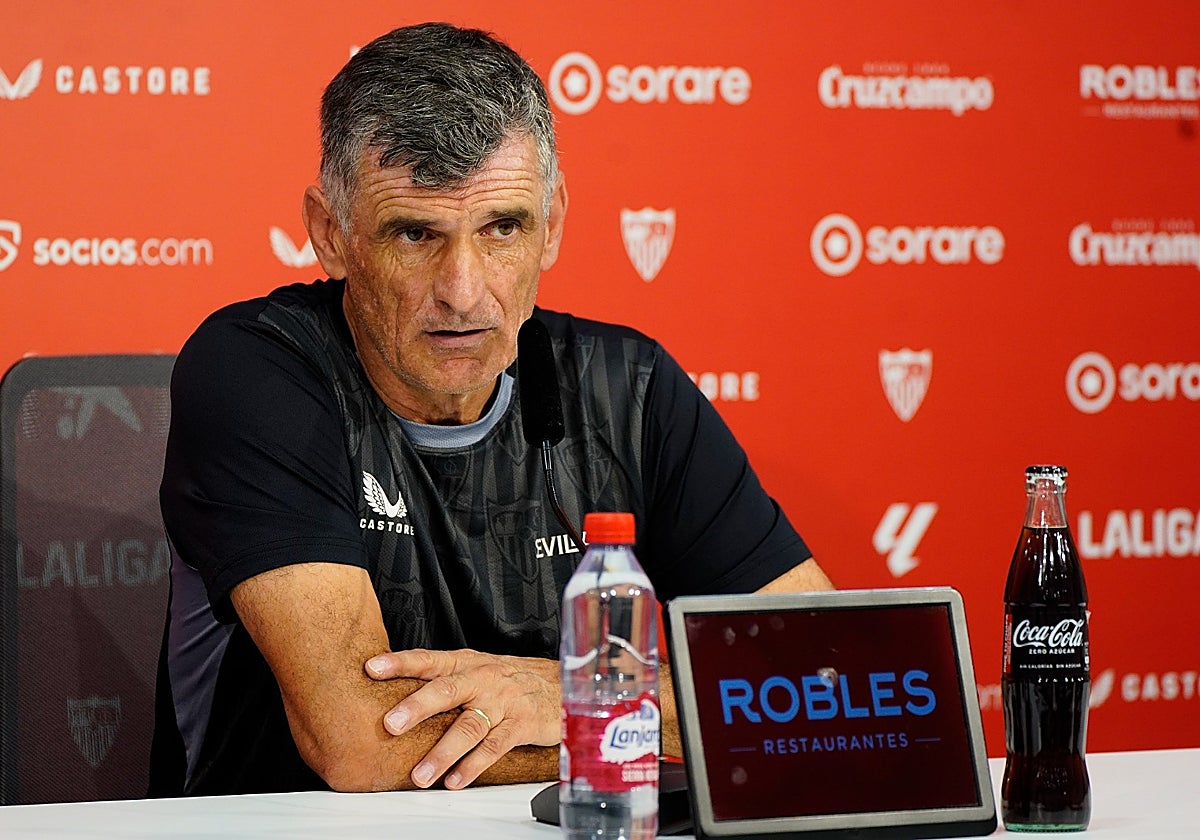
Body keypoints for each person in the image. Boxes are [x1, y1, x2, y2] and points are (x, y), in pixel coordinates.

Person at [149, 21, 833, 797]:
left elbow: (820, 680)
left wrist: (568, 699)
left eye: (502, 228)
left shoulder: (629, 387)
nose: (464, 292)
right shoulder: (255, 372)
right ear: (330, 234)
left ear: (555, 225)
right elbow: (365, 745)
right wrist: (635, 714)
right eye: (415, 234)